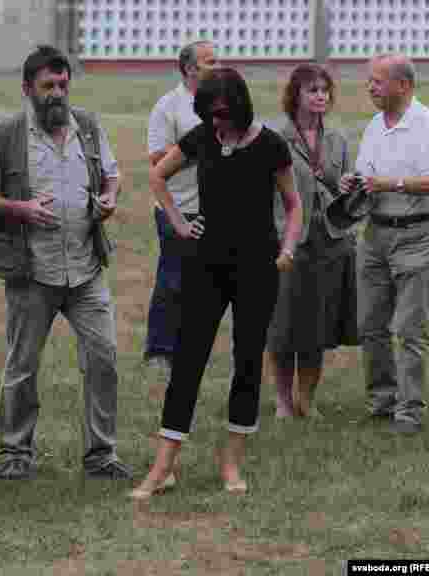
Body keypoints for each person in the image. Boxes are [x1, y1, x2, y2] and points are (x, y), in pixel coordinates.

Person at [130, 67, 303, 500]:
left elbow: (293, 203)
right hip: (205, 264)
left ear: (241, 106)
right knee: (187, 360)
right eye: (209, 113)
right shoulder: (202, 137)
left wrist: (287, 248)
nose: (217, 121)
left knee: (247, 362)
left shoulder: (270, 145)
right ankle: (162, 468)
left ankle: (231, 463)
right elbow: (156, 176)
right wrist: (179, 224)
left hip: (257, 267)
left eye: (224, 113)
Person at [0, 45, 129, 481]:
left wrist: (109, 198)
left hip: (85, 269)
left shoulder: (89, 127)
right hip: (32, 272)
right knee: (22, 366)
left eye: (63, 84)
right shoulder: (5, 135)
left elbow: (112, 176)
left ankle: (101, 454)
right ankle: (15, 453)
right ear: (27, 89)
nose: (57, 93)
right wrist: (21, 209)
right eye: (48, 86)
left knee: (104, 359)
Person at [339, 54, 429, 435]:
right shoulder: (375, 125)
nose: (369, 87)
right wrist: (354, 182)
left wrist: (392, 184)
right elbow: (369, 175)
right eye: (369, 80)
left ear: (403, 85)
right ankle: (381, 402)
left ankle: (409, 411)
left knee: (410, 327)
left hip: (419, 234)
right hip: (375, 234)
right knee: (370, 324)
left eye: (377, 81)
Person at [266, 64, 359, 419]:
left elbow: (342, 191)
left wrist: (346, 185)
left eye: (325, 90)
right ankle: (283, 401)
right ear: (296, 95)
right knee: (283, 323)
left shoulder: (337, 139)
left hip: (330, 241)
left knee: (317, 324)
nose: (321, 96)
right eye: (312, 90)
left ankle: (307, 399)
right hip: (288, 240)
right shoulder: (276, 137)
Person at [144, 40, 217, 374]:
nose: (217, 66)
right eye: (210, 62)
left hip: (214, 209)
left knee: (206, 285)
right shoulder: (168, 107)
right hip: (177, 207)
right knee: (173, 280)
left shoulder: (221, 102)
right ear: (190, 69)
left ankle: (191, 348)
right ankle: (160, 351)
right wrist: (196, 152)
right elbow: (157, 159)